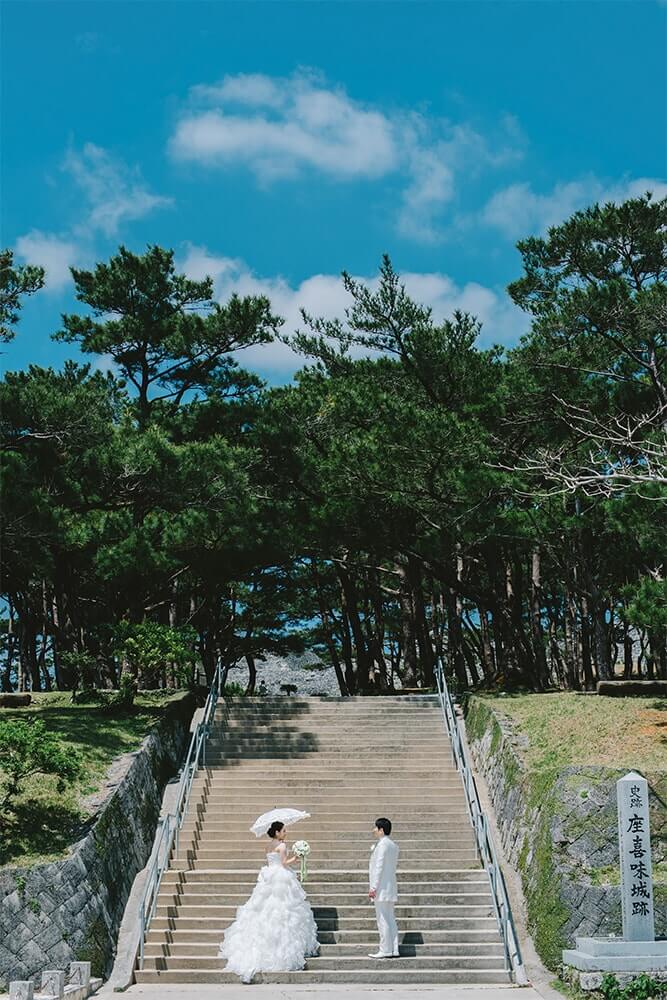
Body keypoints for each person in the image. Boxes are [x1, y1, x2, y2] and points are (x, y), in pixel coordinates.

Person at [218, 820, 319, 983]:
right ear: (277, 832)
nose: (286, 833)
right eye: (284, 831)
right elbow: (284, 864)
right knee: (284, 909)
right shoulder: (282, 846)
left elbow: (271, 861)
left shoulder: (267, 846)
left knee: (264, 908)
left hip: (268, 876)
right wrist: (298, 857)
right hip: (280, 877)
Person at [368, 816, 400, 958]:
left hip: (381, 888)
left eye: (375, 827)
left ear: (381, 830)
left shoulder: (382, 845)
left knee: (382, 919)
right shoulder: (393, 845)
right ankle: (394, 948)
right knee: (390, 918)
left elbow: (378, 867)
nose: (373, 830)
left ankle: (385, 949)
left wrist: (373, 887)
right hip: (391, 887)